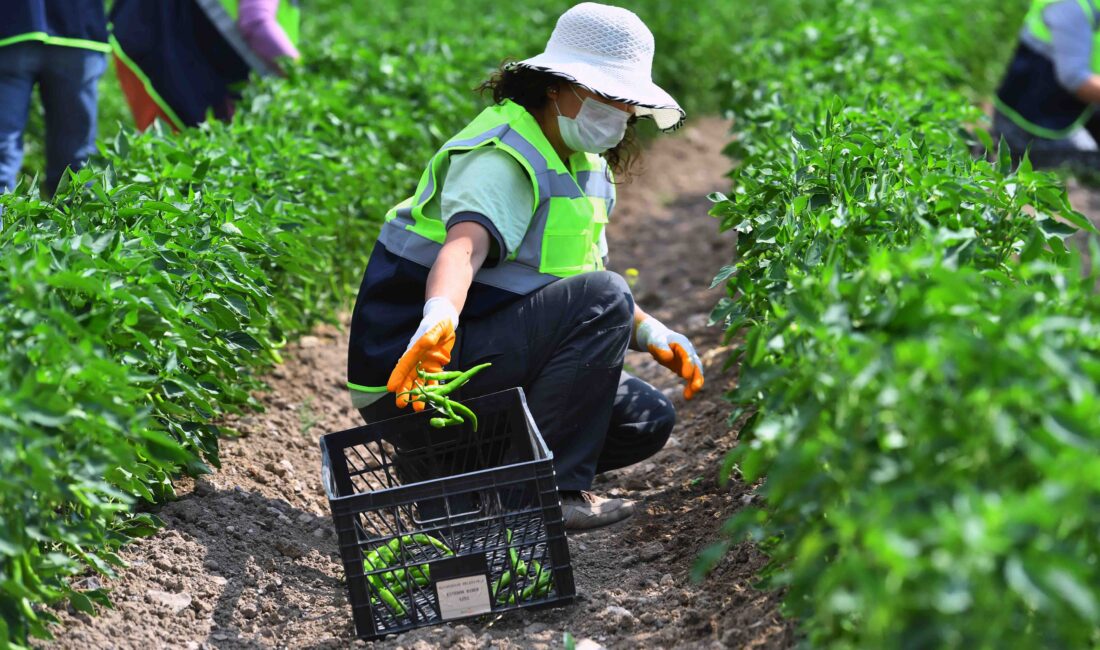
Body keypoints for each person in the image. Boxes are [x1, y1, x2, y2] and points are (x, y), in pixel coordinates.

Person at [346, 3, 704, 530]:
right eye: (604, 95)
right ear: (556, 86)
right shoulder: (505, 153)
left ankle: (458, 472)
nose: (618, 113)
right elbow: (462, 249)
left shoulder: (586, 166)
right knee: (607, 296)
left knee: (644, 419)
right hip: (420, 372)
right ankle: (546, 495)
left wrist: (647, 331)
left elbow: (570, 285)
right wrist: (438, 317)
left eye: (625, 102)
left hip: (485, 353)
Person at [109, 0, 301, 131]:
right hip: (160, 51)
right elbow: (256, 22)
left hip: (166, 48)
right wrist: (299, 70)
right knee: (176, 151)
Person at [0, 0, 109, 194]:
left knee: (1, 157)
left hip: (11, 25)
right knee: (76, 167)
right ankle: (75, 222)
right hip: (78, 24)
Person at [994, 0, 1100, 167]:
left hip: (1068, 106)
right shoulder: (1072, 7)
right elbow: (1076, 80)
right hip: (1031, 125)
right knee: (1090, 165)